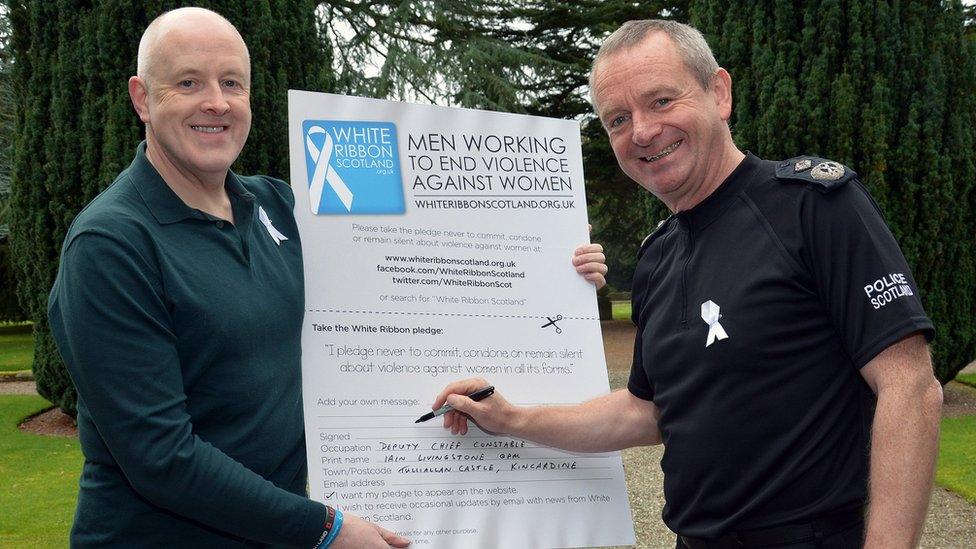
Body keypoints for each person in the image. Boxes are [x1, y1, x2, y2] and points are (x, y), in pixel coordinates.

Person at [47, 8, 607, 547]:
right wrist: (324, 530)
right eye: (188, 83)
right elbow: (161, 458)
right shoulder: (112, 245)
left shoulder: (280, 207)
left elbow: (406, 277)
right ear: (142, 98)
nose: (216, 102)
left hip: (275, 531)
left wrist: (550, 268)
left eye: (233, 83)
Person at [434, 19, 942, 549]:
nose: (643, 132)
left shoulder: (812, 207)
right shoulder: (657, 255)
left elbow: (909, 386)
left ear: (718, 92)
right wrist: (511, 417)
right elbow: (646, 409)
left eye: (661, 101)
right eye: (618, 119)